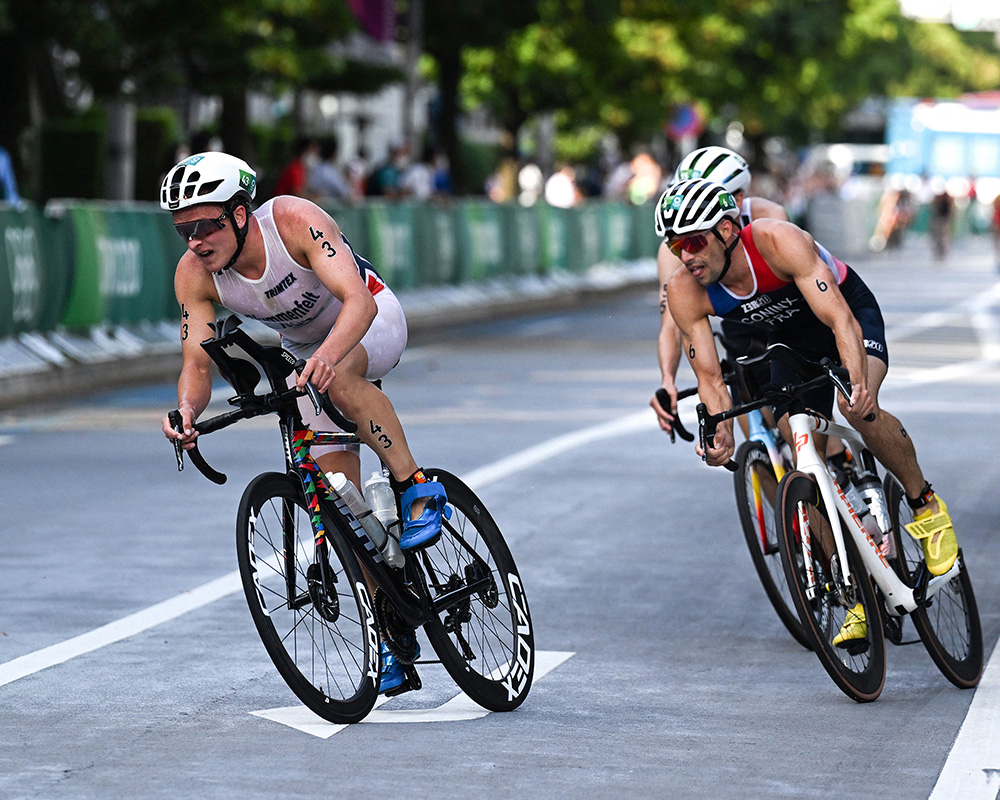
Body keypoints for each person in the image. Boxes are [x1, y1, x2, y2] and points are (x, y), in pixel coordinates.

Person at [158, 151, 447, 693]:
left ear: (241, 213)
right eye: (183, 230)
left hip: (370, 320)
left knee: (338, 376)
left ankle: (414, 485)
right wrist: (188, 412)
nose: (195, 240)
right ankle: (388, 634)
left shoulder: (291, 220)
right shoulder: (195, 275)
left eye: (204, 225)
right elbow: (196, 362)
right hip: (308, 354)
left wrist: (328, 357)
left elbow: (356, 300)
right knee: (343, 503)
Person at [656, 178, 959, 647]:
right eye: (677, 248)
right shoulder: (684, 290)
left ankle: (927, 507)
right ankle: (853, 586)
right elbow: (713, 381)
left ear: (728, 230)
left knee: (855, 408)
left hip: (845, 314)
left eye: (695, 242)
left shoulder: (777, 241)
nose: (687, 257)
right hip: (789, 339)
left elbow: (840, 320)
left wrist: (857, 382)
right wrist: (721, 435)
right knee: (799, 454)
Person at [651, 146, 789, 440]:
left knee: (793, 419)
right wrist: (668, 381)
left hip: (779, 314)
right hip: (738, 324)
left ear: (738, 199)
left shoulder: (768, 215)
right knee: (753, 436)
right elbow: (671, 324)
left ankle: (835, 459)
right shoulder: (673, 248)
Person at [308, 137, 352, 204]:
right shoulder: (329, 172)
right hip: (330, 208)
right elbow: (343, 192)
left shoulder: (316, 169)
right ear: (333, 153)